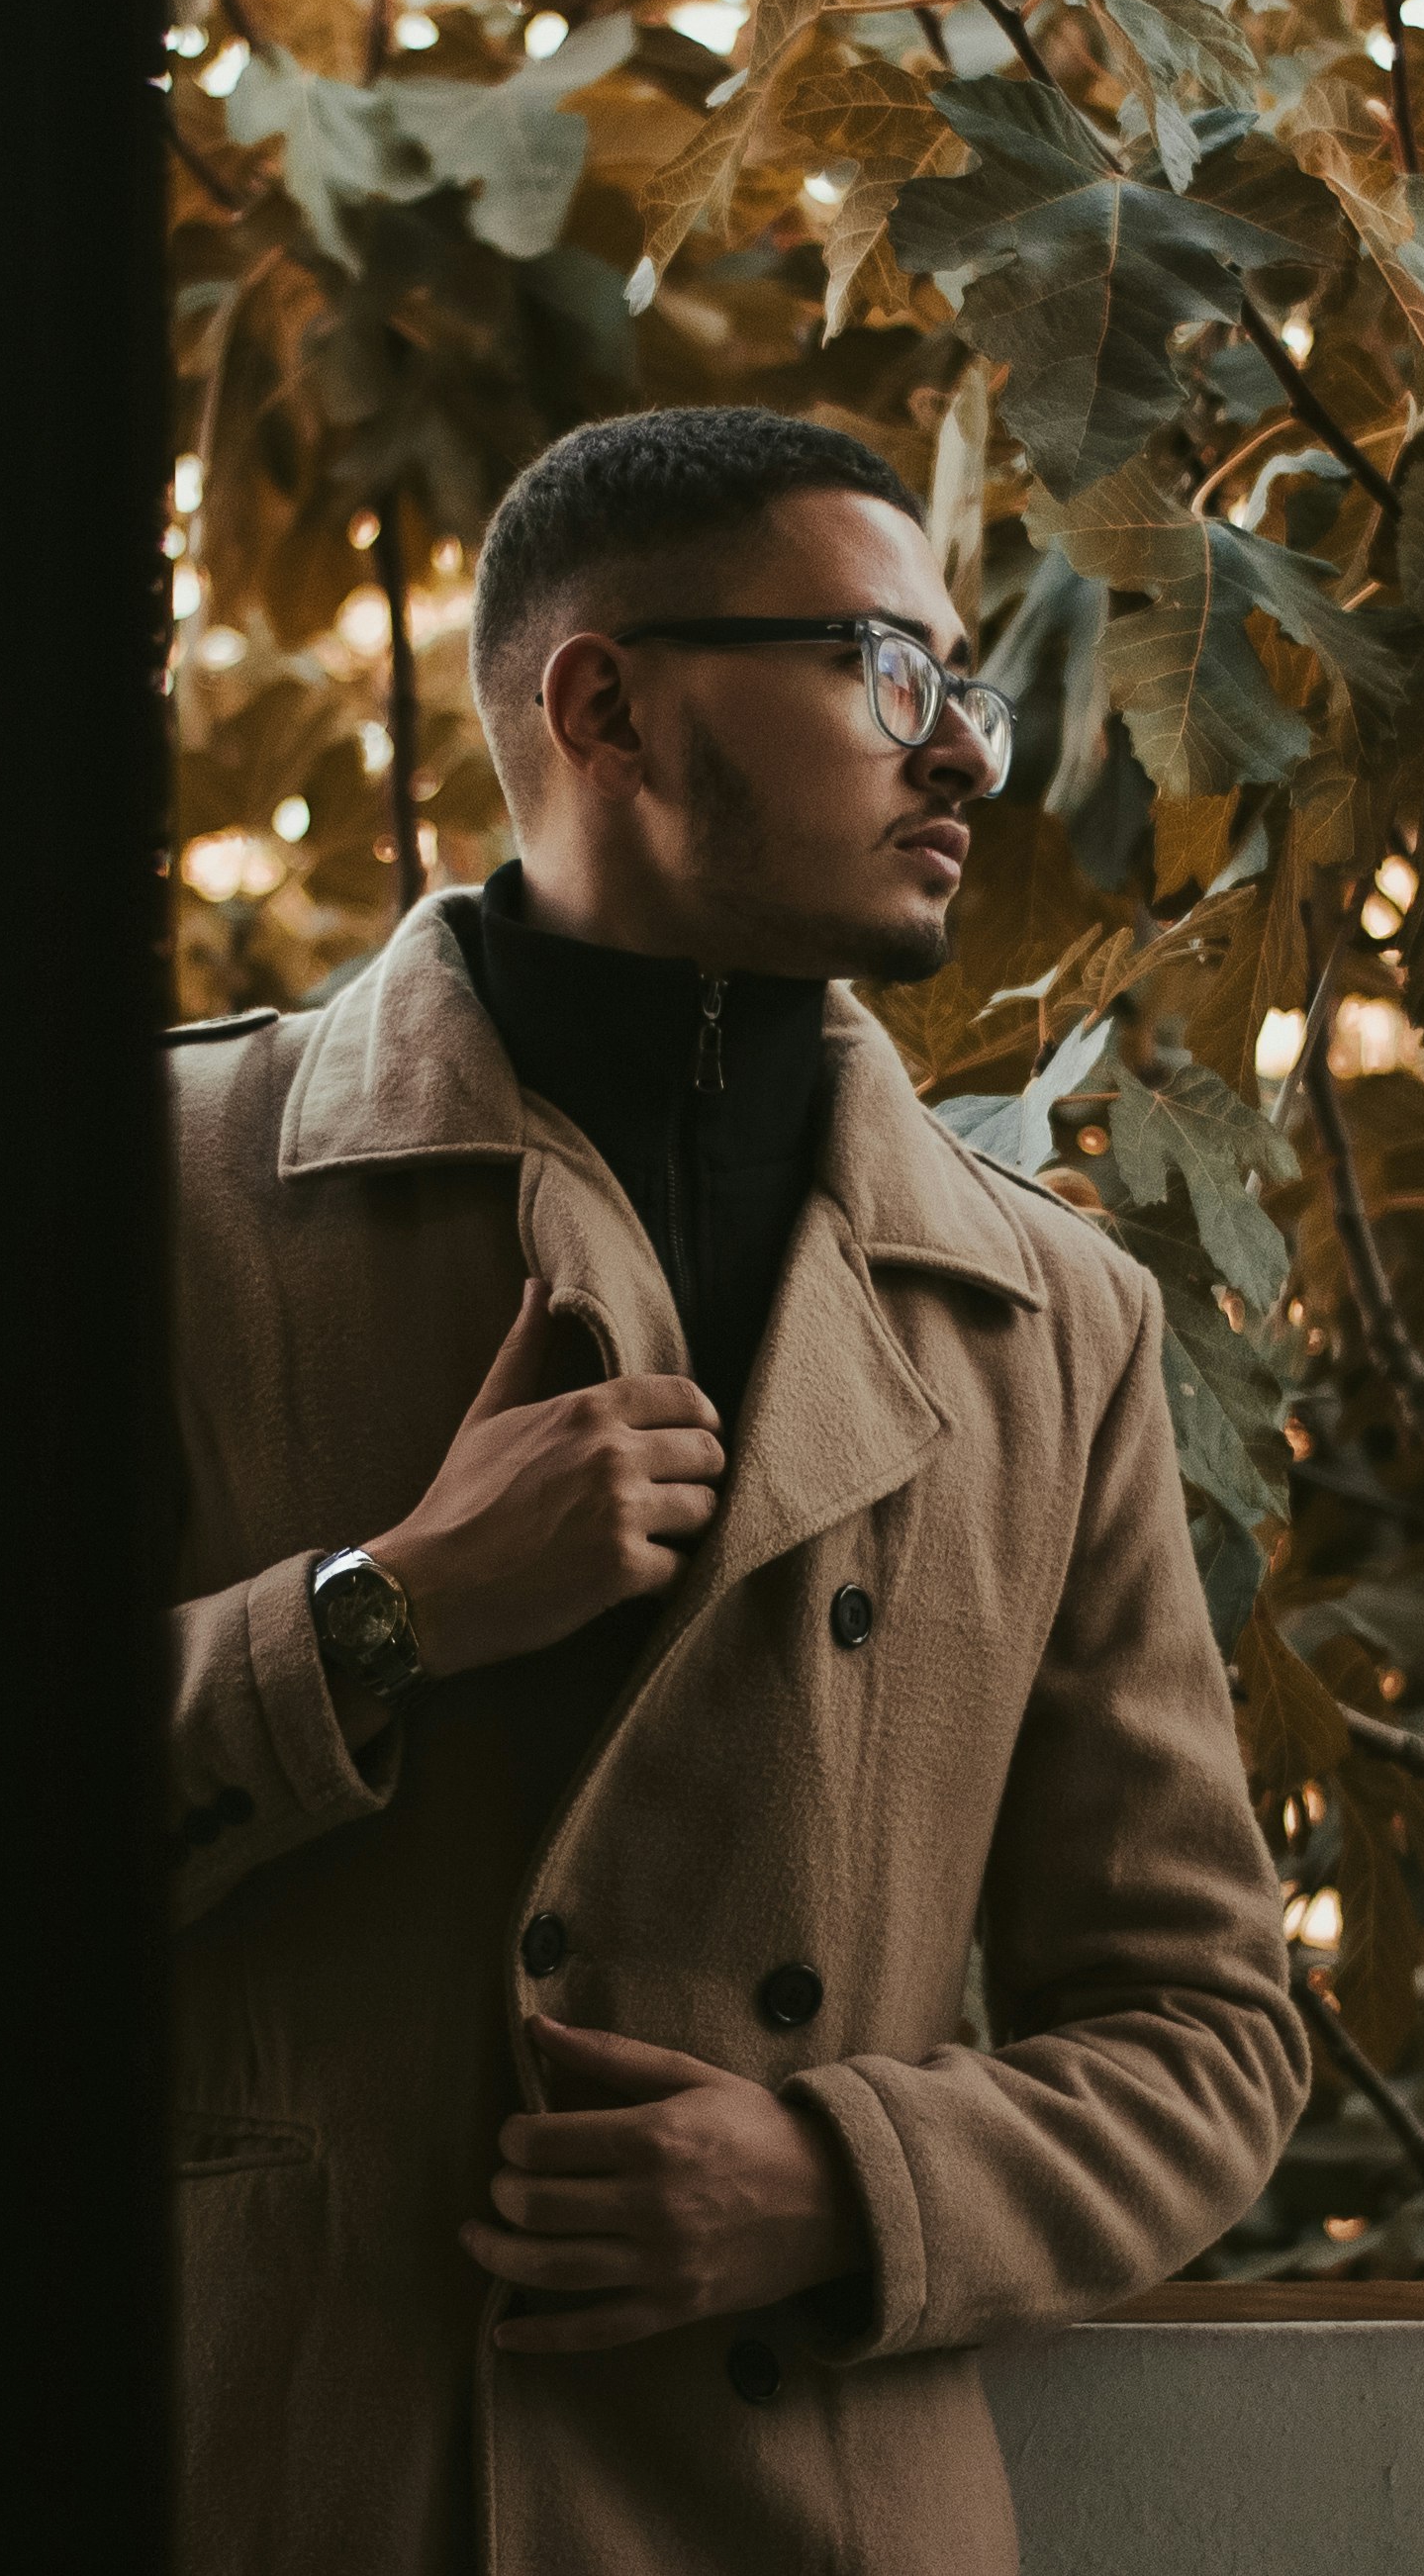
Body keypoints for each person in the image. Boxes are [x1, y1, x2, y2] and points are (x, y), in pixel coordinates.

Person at [164, 406, 1307, 2576]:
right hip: (294, 2480)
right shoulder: (165, 1200)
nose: (959, 750)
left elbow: (1202, 2027)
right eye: (885, 671)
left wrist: (839, 2175)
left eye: (956, 684)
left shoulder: (1050, 1317)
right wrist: (376, 1610)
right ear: (604, 699)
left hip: (815, 2514)